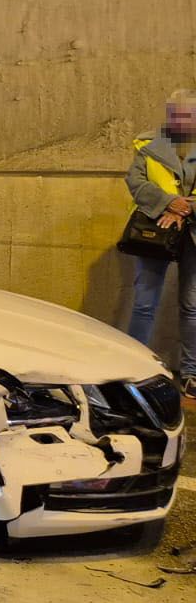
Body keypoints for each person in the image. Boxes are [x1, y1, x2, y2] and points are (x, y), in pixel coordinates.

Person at [125, 90, 196, 395]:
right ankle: (133, 368)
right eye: (175, 114)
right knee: (144, 304)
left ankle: (192, 373)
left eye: (187, 115)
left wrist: (188, 208)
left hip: (193, 231)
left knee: (192, 306)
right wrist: (168, 203)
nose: (180, 120)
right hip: (156, 228)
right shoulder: (147, 144)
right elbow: (136, 182)